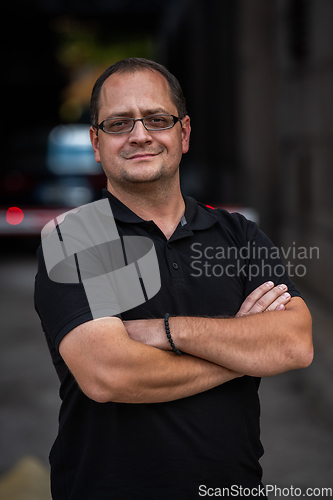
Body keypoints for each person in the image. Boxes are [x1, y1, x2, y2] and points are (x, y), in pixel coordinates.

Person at [34, 57, 313, 500]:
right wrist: (241, 351)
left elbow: (293, 344)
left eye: (157, 120)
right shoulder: (76, 238)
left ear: (183, 133)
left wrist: (166, 331)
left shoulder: (238, 234)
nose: (140, 135)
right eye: (119, 123)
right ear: (95, 142)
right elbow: (110, 374)